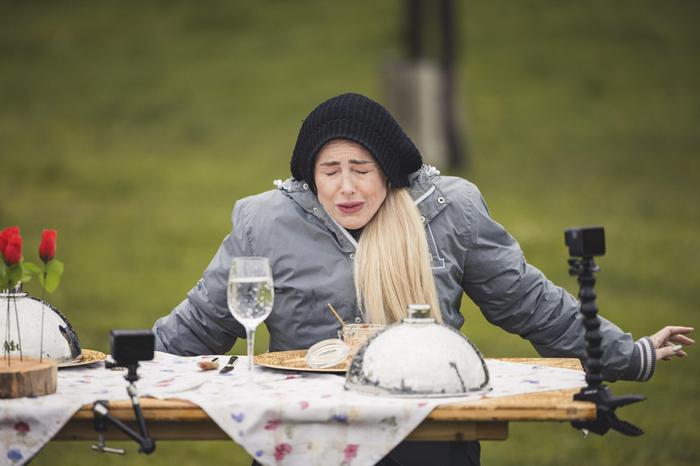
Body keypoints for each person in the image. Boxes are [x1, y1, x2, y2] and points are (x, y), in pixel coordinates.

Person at [152, 93, 693, 465]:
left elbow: (528, 302)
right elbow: (202, 322)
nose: (345, 188)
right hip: (302, 439)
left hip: (430, 435)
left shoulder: (449, 211)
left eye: (360, 169)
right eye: (330, 170)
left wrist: (629, 354)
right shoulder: (266, 221)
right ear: (309, 173)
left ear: (387, 168)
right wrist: (118, 365)